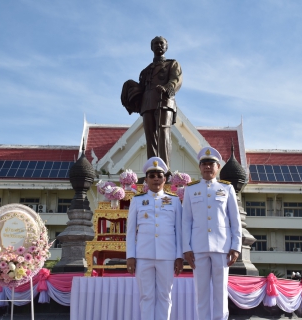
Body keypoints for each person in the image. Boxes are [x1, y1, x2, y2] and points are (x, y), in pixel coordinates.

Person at [182, 147, 242, 320]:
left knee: (220, 292)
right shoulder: (191, 189)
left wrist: (236, 246)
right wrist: (186, 247)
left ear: (218, 168)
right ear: (200, 167)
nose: (207, 167)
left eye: (211, 164)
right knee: (201, 292)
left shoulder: (227, 188)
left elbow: (234, 220)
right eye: (204, 164)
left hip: (222, 247)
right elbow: (186, 221)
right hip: (198, 248)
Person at [126, 157, 183, 320]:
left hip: (167, 256)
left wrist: (179, 256)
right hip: (143, 255)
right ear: (146, 179)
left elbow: (179, 231)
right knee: (146, 296)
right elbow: (130, 231)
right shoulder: (137, 201)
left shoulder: (174, 201)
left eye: (159, 175)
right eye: (152, 175)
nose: (156, 178)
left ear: (165, 179)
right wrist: (130, 256)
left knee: (165, 296)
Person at [121, 36, 183, 171]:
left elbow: (176, 79)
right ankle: (153, 170)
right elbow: (142, 88)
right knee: (150, 137)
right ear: (151, 47)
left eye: (162, 43)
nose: (159, 46)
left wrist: (167, 88)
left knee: (163, 134)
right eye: (155, 44)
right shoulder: (145, 71)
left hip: (164, 101)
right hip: (147, 104)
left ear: (166, 47)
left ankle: (164, 170)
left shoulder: (172, 64)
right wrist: (130, 88)